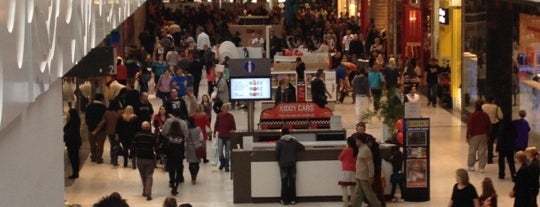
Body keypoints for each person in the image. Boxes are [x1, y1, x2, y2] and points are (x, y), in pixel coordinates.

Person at [275, 127, 305, 205]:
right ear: (289, 133)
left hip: (283, 164)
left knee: (284, 182)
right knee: (292, 182)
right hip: (292, 163)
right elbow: (302, 147)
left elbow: (277, 154)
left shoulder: (279, 142)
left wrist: (279, 161)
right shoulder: (294, 141)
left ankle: (284, 200)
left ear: (282, 133)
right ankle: (293, 200)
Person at [352, 132, 381, 207]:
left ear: (359, 141)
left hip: (365, 177)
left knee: (369, 194)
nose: (355, 142)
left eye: (356, 140)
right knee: (358, 194)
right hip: (359, 176)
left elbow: (370, 164)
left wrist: (371, 175)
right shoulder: (361, 149)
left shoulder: (366, 150)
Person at [132, 121, 157, 201]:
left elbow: (133, 146)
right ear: (149, 127)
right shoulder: (152, 136)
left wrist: (132, 156)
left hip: (140, 158)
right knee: (149, 175)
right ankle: (148, 193)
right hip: (149, 157)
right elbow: (156, 147)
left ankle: (145, 190)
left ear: (141, 127)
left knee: (143, 175)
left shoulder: (137, 135)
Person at [93, 100, 122, 166]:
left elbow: (102, 122)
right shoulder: (120, 112)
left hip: (109, 131)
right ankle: (114, 160)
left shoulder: (107, 112)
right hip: (118, 132)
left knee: (112, 145)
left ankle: (112, 159)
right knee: (116, 145)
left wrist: (96, 130)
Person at [466, 100, 492, 173]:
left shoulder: (473, 115)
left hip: (474, 135)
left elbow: (470, 126)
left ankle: (471, 166)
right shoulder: (485, 115)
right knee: (482, 151)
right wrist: (488, 134)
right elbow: (489, 126)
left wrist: (468, 136)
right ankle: (481, 167)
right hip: (483, 135)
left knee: (472, 151)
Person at [164, 119, 186, 196]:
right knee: (178, 171)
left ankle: (171, 182)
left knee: (171, 170)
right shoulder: (181, 137)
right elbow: (182, 148)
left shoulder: (168, 136)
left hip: (170, 155)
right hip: (178, 156)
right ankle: (175, 187)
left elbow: (166, 147)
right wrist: (183, 156)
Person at [213, 103, 236, 172]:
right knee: (220, 152)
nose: (226, 110)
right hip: (220, 136)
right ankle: (222, 162)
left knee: (227, 152)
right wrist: (214, 132)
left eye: (227, 108)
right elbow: (216, 124)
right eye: (224, 108)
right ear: (222, 109)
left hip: (228, 137)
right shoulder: (219, 115)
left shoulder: (230, 116)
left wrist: (233, 131)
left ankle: (226, 166)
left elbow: (233, 126)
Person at [85, 93, 107, 164]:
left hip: (91, 128)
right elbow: (105, 119)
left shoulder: (89, 106)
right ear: (102, 99)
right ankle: (99, 158)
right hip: (101, 129)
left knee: (92, 144)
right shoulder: (104, 107)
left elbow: (86, 117)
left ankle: (93, 157)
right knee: (100, 144)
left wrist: (89, 125)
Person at [482, 95, 503, 164]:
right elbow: (501, 116)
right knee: (491, 141)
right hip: (493, 125)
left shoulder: (483, 106)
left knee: (485, 142)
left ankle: (483, 157)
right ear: (493, 100)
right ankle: (490, 158)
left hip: (484, 125)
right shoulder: (496, 107)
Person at [338, 137, 358, 207]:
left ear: (348, 142)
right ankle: (353, 202)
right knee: (353, 187)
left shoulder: (346, 150)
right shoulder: (356, 150)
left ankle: (346, 203)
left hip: (346, 169)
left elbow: (340, 158)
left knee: (344, 186)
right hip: (354, 169)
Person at [64, 108, 81, 179]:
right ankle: (75, 172)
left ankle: (75, 172)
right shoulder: (76, 120)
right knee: (75, 157)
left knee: (73, 157)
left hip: (71, 141)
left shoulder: (72, 121)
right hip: (75, 141)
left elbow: (67, 130)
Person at [186, 117, 203, 184]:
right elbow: (201, 138)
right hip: (197, 147)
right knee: (196, 163)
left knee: (191, 163)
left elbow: (185, 138)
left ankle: (192, 176)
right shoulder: (198, 129)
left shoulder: (187, 130)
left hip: (189, 147)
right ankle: (195, 175)